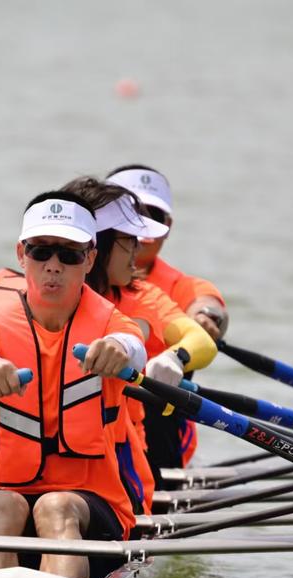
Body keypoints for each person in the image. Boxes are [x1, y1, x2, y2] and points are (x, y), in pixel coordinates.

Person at [0, 190, 146, 578]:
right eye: (41, 252)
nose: (53, 266)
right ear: (21, 255)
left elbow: (135, 351)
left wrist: (118, 350)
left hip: (90, 501)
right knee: (4, 505)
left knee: (56, 506)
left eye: (68, 254)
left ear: (89, 259)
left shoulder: (111, 325)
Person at [64, 177, 217, 497]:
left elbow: (200, 340)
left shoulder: (141, 296)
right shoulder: (36, 297)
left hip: (129, 452)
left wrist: (177, 357)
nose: (139, 246)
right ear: (99, 243)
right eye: (130, 238)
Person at [106, 164, 228, 468]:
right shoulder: (63, 277)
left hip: (159, 431)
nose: (144, 226)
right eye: (134, 215)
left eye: (153, 215)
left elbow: (210, 306)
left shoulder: (178, 288)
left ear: (168, 224)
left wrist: (204, 318)